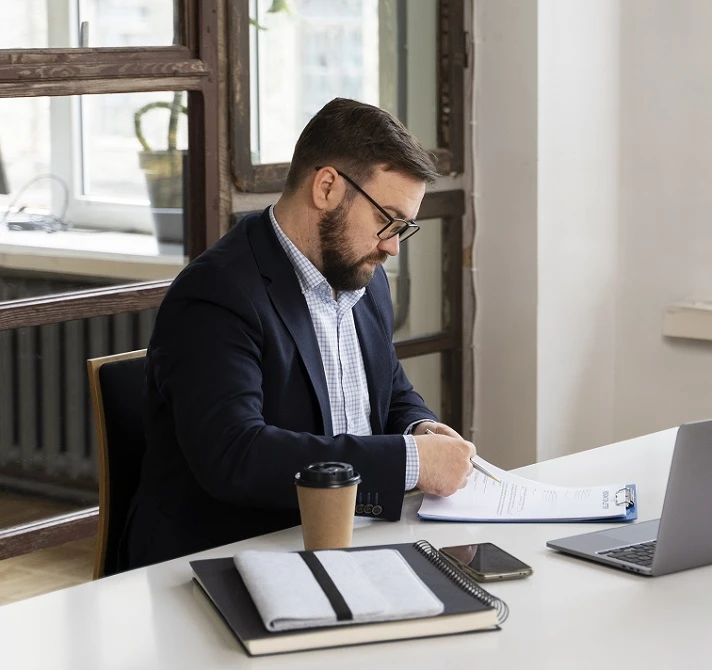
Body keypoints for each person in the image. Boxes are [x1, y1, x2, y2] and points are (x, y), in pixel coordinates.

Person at [123, 98, 477, 569]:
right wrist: (412, 461)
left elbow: (391, 391)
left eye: (403, 228)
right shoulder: (217, 293)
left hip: (349, 547)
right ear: (327, 187)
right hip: (223, 563)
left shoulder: (362, 275)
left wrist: (421, 429)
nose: (392, 246)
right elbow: (237, 454)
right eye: (386, 220)